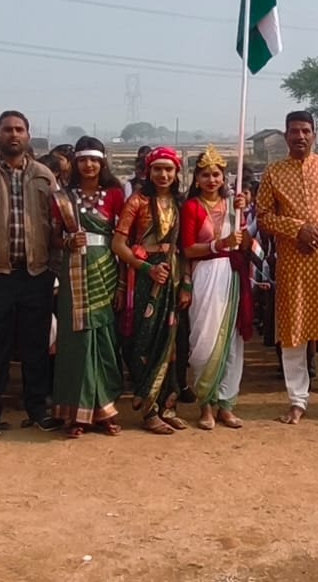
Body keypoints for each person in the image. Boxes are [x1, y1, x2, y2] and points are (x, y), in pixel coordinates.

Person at [255, 111, 318, 426]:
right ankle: (297, 401)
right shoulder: (274, 173)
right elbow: (263, 215)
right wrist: (297, 228)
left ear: (314, 133)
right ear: (285, 135)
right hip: (293, 265)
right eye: (293, 131)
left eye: (305, 130)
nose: (299, 136)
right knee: (293, 337)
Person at [0, 112, 61, 439]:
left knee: (35, 346)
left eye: (19, 129)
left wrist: (55, 270)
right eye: (8, 130)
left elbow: (59, 223)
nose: (14, 135)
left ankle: (37, 408)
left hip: (37, 273)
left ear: (28, 135)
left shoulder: (44, 175)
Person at [50, 138, 127, 438]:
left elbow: (122, 239)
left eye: (94, 160)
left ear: (103, 162)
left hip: (106, 270)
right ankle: (75, 412)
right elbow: (54, 238)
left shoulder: (117, 195)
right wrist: (69, 242)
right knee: (77, 341)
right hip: (74, 274)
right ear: (75, 163)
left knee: (105, 339)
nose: (89, 165)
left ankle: (104, 409)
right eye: (83, 160)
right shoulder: (63, 198)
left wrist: (121, 284)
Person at [112, 146, 189, 434]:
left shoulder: (180, 204)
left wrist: (186, 285)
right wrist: (147, 268)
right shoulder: (137, 202)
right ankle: (149, 410)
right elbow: (118, 245)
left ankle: (168, 406)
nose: (163, 174)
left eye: (169, 169)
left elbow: (182, 250)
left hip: (172, 279)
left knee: (170, 344)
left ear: (177, 173)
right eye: (158, 169)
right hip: (144, 281)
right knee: (145, 343)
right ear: (148, 171)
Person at [180, 145, 253, 430]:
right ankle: (205, 405)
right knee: (205, 342)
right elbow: (187, 250)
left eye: (217, 175)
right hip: (206, 276)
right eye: (206, 175)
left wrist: (241, 217)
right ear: (196, 179)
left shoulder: (233, 204)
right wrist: (217, 244)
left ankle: (226, 404)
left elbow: (244, 244)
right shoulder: (192, 207)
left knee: (232, 342)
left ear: (224, 178)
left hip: (232, 275)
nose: (212, 180)